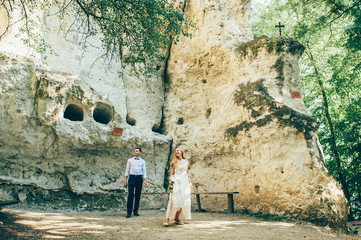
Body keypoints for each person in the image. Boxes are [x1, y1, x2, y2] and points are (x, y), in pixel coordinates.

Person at [164, 148, 192, 226]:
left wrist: (189, 178)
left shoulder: (186, 161)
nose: (176, 152)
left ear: (181, 152)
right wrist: (171, 183)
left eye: (178, 150)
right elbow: (172, 174)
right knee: (173, 200)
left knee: (183, 200)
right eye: (175, 151)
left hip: (184, 182)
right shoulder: (174, 162)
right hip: (176, 181)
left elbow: (187, 172)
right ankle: (167, 219)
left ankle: (177, 218)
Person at [124, 148, 147, 218]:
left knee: (138, 195)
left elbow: (144, 171)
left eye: (136, 151)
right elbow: (127, 170)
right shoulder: (130, 160)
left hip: (139, 178)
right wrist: (125, 180)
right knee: (130, 194)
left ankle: (136, 211)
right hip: (132, 178)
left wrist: (145, 180)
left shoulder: (143, 161)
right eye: (134, 151)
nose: (135, 152)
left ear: (140, 153)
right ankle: (129, 212)